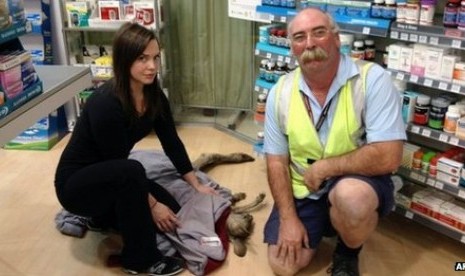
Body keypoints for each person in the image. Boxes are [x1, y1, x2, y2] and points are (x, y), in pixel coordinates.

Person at [54, 22, 216, 276]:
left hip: (112, 175)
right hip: (76, 186)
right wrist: (152, 206)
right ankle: (140, 260)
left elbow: (171, 142)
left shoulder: (153, 95)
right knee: (136, 177)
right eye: (142, 58)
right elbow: (120, 166)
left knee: (170, 208)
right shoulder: (105, 103)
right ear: (124, 59)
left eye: (155, 58)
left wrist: (195, 185)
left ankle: (101, 218)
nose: (152, 66)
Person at [262, 8, 406, 276]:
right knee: (283, 266)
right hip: (304, 187)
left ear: (337, 39)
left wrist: (325, 168)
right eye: (299, 37)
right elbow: (276, 162)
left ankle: (347, 252)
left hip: (355, 181)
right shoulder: (279, 92)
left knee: (351, 198)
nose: (310, 43)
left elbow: (389, 156)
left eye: (319, 32)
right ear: (292, 47)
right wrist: (288, 219)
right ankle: (327, 220)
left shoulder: (371, 79)